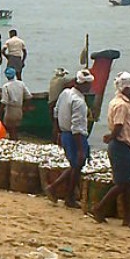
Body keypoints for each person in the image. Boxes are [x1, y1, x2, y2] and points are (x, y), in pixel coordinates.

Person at [91, 71, 130, 224]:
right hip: (122, 145)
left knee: (126, 183)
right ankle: (99, 208)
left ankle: (127, 217)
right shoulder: (121, 105)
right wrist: (111, 136)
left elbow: (124, 122)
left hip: (125, 145)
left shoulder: (118, 102)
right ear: (126, 88)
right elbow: (118, 125)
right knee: (122, 183)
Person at [46, 69, 92, 208]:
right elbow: (77, 127)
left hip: (65, 134)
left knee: (75, 166)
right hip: (75, 137)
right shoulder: (79, 102)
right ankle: (67, 196)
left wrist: (57, 132)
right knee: (77, 166)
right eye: (89, 85)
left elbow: (56, 112)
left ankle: (57, 189)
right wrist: (81, 149)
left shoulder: (65, 93)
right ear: (84, 85)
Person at [0, 66, 32, 140]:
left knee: (10, 129)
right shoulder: (21, 84)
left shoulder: (6, 86)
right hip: (19, 109)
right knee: (15, 128)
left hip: (10, 110)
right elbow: (29, 96)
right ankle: (15, 140)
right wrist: (25, 107)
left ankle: (14, 140)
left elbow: (4, 101)